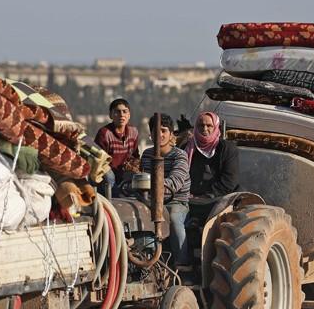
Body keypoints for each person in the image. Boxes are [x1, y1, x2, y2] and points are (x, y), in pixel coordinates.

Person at [141, 114, 191, 266]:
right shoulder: (147, 154)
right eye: (156, 131)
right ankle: (147, 260)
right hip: (151, 200)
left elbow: (174, 182)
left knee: (175, 220)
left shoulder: (180, 155)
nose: (160, 135)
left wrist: (151, 188)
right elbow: (143, 179)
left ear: (171, 134)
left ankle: (183, 264)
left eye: (163, 130)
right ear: (150, 134)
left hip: (175, 201)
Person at [186, 111, 240, 224]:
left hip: (218, 200)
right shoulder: (187, 147)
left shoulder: (227, 149)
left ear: (216, 127)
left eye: (209, 125)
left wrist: (206, 196)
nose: (205, 129)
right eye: (201, 125)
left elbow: (229, 181)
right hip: (189, 199)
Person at [94, 98, 140, 194]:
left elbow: (135, 155)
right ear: (111, 115)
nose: (121, 115)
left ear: (129, 115)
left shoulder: (134, 132)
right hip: (107, 177)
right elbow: (98, 161)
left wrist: (134, 166)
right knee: (109, 176)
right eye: (117, 112)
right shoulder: (104, 133)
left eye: (124, 112)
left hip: (125, 175)